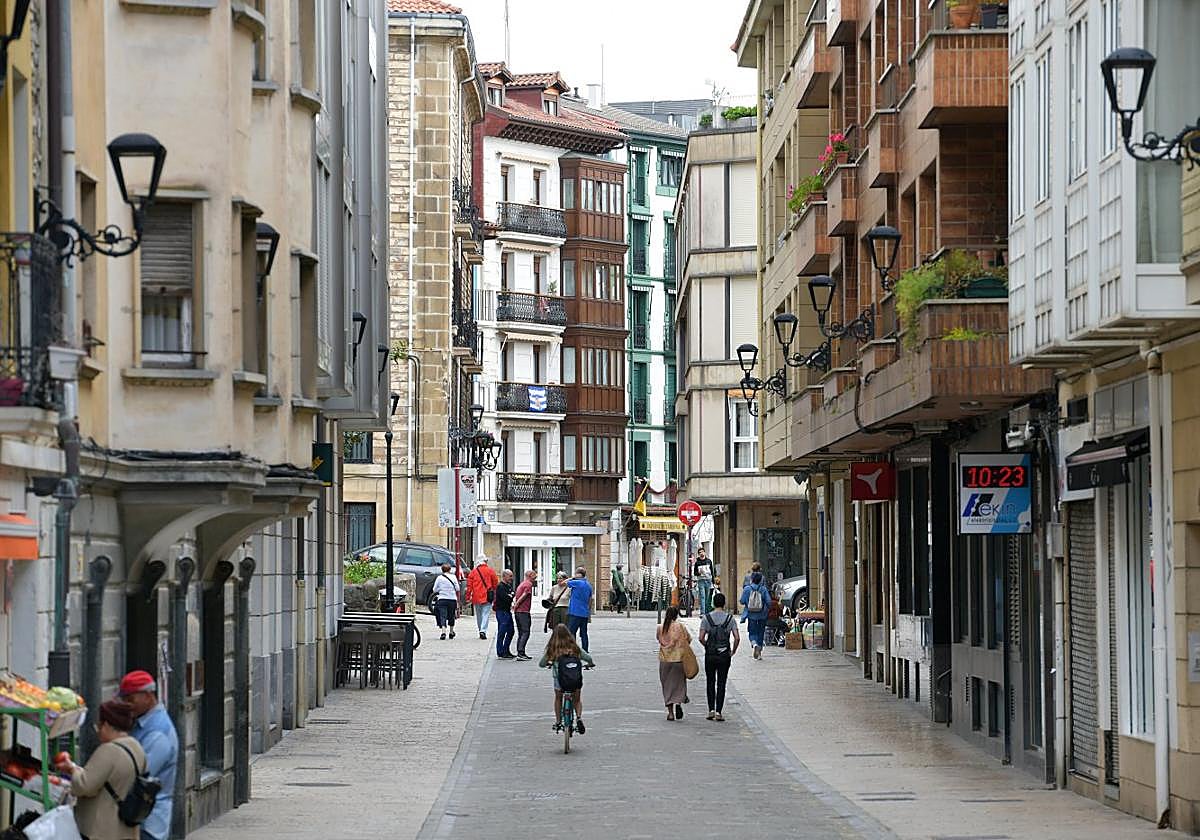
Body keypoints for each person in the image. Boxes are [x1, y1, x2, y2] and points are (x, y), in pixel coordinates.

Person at [55, 699, 146, 840]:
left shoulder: (109, 750)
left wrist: (72, 770)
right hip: (127, 829)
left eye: (99, 725)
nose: (98, 731)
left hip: (102, 829)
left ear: (107, 725)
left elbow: (84, 786)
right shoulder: (137, 748)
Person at [119, 670, 177, 840]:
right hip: (143, 818)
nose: (127, 704)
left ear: (147, 695)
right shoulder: (143, 723)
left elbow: (141, 774)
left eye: (130, 699)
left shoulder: (158, 732)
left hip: (149, 820)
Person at [538, 623, 594, 734]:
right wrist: (590, 664)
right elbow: (588, 658)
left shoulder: (553, 648)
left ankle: (558, 721)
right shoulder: (574, 648)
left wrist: (549, 663)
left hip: (559, 679)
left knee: (558, 698)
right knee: (577, 700)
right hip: (575, 679)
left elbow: (541, 663)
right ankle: (578, 717)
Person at [698, 592, 740, 721]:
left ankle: (710, 709)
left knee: (710, 681)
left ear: (713, 603)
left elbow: (700, 638)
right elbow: (737, 638)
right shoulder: (730, 619)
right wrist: (732, 651)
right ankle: (719, 712)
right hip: (724, 654)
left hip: (710, 654)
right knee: (722, 682)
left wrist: (707, 645)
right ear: (724, 604)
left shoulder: (706, 618)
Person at [656, 605, 691, 721]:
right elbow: (689, 639)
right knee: (679, 684)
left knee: (667, 686)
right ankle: (679, 703)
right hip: (678, 660)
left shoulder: (660, 628)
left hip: (665, 660)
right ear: (676, 615)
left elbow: (658, 639)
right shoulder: (680, 627)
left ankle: (670, 713)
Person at [740, 571, 772, 659]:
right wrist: (768, 608)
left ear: (752, 579)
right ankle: (759, 653)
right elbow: (769, 602)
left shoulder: (747, 589)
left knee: (752, 632)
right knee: (761, 632)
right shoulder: (763, 589)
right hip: (762, 615)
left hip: (751, 615)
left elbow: (742, 601)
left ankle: (754, 644)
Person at [465, 558, 499, 640]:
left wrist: (467, 596)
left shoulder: (473, 572)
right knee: (485, 614)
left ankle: (480, 629)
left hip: (476, 596)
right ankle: (483, 630)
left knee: (479, 615)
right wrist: (495, 594)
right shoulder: (490, 571)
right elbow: (495, 583)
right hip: (488, 596)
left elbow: (469, 586)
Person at [565, 567, 593, 652]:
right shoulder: (589, 585)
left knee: (571, 632)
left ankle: (572, 649)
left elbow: (564, 583)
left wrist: (572, 577)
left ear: (579, 574)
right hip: (584, 612)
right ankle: (585, 649)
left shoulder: (577, 582)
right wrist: (588, 611)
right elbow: (590, 599)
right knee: (584, 633)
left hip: (575, 612)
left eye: (576, 573)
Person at [431, 562, 460, 640]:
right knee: (451, 615)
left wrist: (441, 589)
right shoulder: (453, 577)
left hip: (442, 599)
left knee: (442, 615)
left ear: (442, 570)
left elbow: (434, 589)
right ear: (450, 569)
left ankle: (443, 632)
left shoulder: (439, 578)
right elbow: (457, 588)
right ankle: (451, 632)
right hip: (452, 599)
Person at [513, 569, 536, 660]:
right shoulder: (528, 584)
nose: (536, 577)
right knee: (526, 632)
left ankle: (520, 652)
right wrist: (517, 604)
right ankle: (521, 652)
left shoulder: (522, 584)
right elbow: (524, 595)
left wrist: (515, 605)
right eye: (534, 575)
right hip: (523, 611)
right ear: (530, 575)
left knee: (521, 632)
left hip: (519, 612)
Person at [494, 569, 516, 659]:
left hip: (507, 611)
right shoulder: (500, 586)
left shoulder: (508, 586)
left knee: (511, 631)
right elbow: (506, 598)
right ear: (504, 576)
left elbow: (512, 595)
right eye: (510, 576)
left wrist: (511, 595)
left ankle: (506, 650)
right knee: (502, 632)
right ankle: (500, 651)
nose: (512, 578)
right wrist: (510, 595)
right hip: (501, 612)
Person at [693, 548, 714, 615]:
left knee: (707, 597)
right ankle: (702, 612)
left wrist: (713, 581)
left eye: (702, 552)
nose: (701, 553)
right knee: (702, 596)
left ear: (705, 553)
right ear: (698, 554)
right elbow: (695, 573)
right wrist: (699, 573)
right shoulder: (697, 563)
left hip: (708, 580)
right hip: (701, 580)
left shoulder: (709, 561)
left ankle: (707, 611)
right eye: (700, 552)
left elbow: (712, 571)